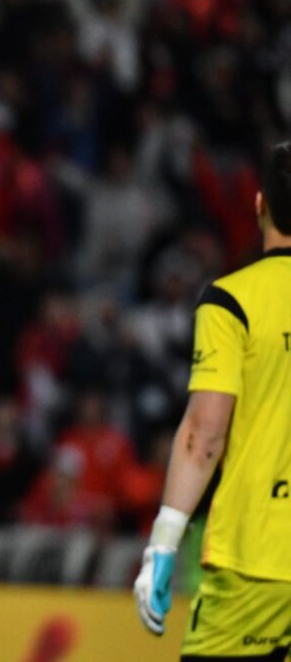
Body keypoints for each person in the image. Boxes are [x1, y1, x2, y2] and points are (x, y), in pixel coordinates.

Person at [133, 142, 291, 661]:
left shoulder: (232, 301)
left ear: (260, 204)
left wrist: (163, 542)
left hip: (259, 559)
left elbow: (204, 435)